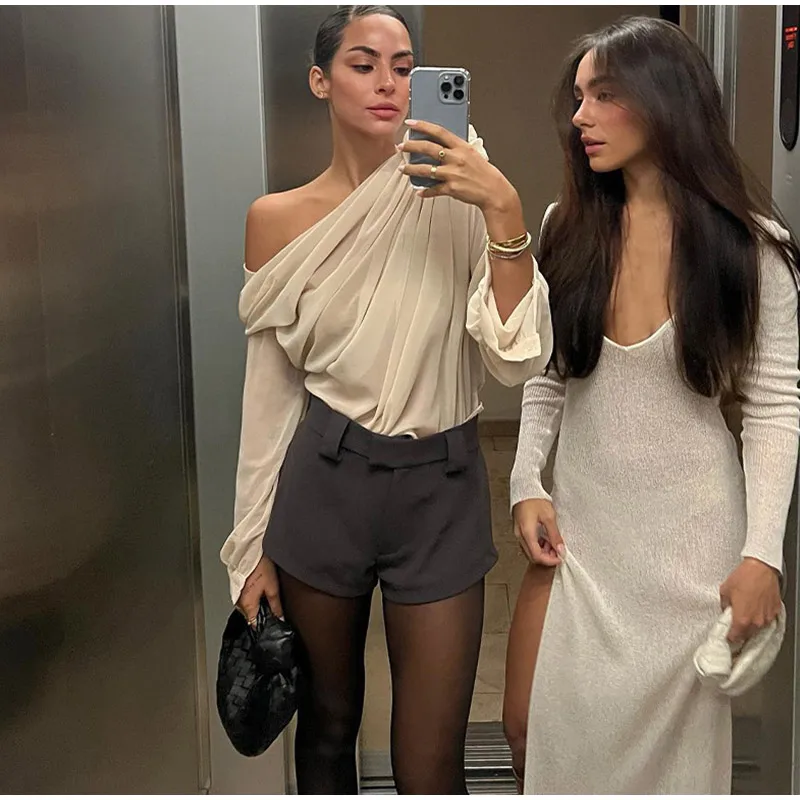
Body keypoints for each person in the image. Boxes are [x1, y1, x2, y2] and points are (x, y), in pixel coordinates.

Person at [220, 5, 553, 794]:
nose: (387, 84)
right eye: (363, 64)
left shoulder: (466, 186)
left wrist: (502, 211)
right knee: (327, 730)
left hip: (441, 487)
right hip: (325, 482)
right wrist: (250, 544)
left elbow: (515, 359)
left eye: (404, 68)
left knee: (430, 761)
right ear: (320, 80)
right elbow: (270, 395)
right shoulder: (277, 220)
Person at [503, 16, 800, 795]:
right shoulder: (566, 228)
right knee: (539, 736)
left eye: (603, 95)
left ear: (665, 100)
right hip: (584, 542)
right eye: (578, 98)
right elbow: (547, 372)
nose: (581, 117)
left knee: (674, 774)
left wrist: (762, 553)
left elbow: (774, 406)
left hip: (693, 556)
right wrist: (526, 481)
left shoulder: (751, 246)